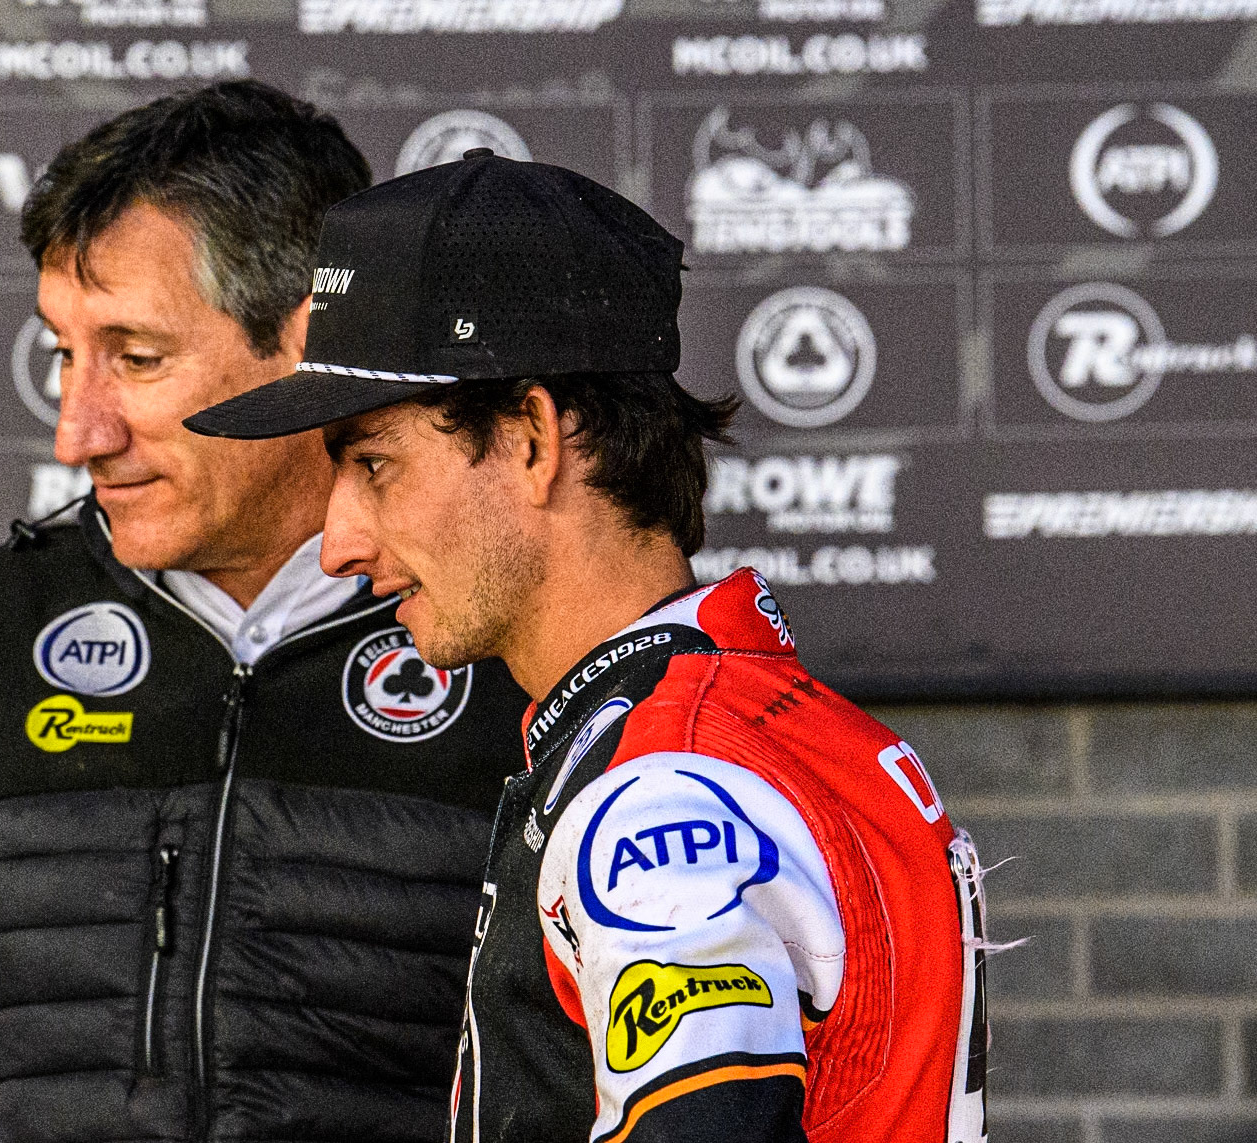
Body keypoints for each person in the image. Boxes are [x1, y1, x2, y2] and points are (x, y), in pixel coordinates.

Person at [0, 84, 531, 1143]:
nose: (78, 431)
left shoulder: (515, 636)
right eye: (65, 354)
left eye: (135, 356)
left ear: (306, 345)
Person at [185, 151, 991, 1143]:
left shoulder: (659, 793)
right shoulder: (758, 726)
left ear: (529, 436)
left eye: (373, 462)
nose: (340, 541)